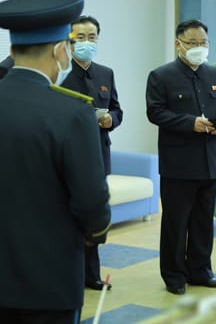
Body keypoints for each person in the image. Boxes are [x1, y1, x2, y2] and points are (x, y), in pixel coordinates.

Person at [0, 0, 111, 323]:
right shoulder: (71, 112)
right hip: (47, 279)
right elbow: (91, 202)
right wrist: (95, 232)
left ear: (11, 50)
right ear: (61, 49)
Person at [145, 19, 216, 295]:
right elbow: (155, 112)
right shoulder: (161, 76)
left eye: (203, 43)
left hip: (211, 162)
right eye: (193, 43)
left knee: (203, 221)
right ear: (179, 45)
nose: (199, 48)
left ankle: (201, 271)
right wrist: (191, 123)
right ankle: (173, 275)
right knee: (176, 222)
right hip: (179, 165)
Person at [61, 15, 123, 291]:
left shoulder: (105, 73)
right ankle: (68, 275)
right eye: (80, 37)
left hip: (99, 154)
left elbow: (117, 109)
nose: (87, 42)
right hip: (67, 156)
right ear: (69, 41)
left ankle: (92, 276)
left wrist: (111, 119)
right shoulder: (60, 73)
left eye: (92, 37)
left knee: (93, 216)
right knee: (67, 217)